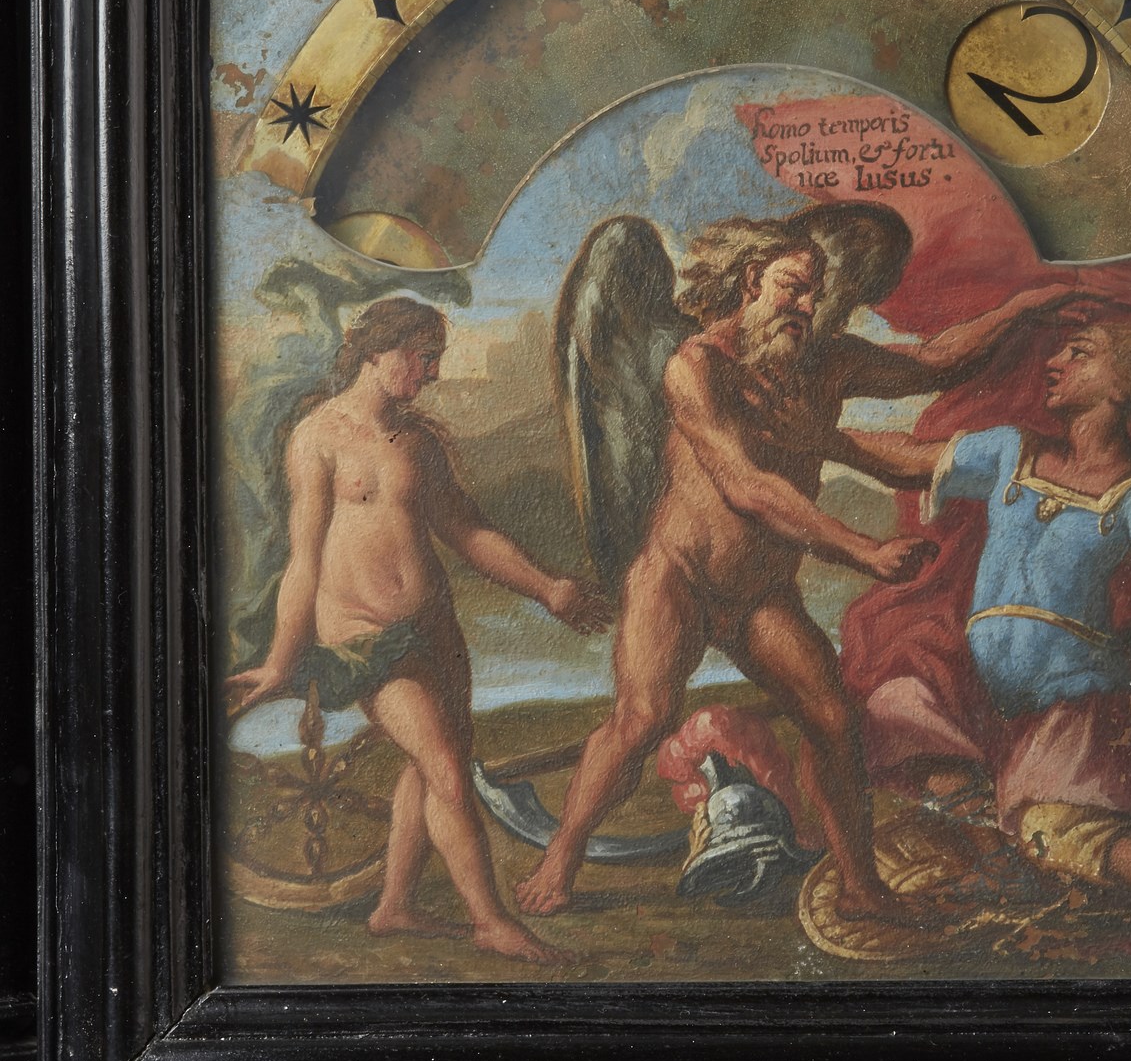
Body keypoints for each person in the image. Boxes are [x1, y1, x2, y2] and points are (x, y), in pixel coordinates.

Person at [516, 213, 1086, 918]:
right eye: (793, 288)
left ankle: (860, 888)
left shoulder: (828, 362)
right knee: (642, 716)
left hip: (761, 595)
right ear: (751, 280)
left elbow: (937, 361)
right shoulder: (696, 366)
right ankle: (560, 861)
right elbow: (748, 488)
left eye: (814, 293)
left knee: (834, 720)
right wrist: (862, 549)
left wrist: (1022, 307)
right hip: (677, 578)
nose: (807, 306)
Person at [838, 319, 1131, 964]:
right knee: (894, 708)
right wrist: (814, 437)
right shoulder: (1011, 451)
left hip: (1076, 700)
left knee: (1060, 830)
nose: (1055, 361)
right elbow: (905, 456)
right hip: (985, 696)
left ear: (1128, 381)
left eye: (1081, 352)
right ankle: (1004, 865)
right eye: (1059, 350)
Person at [225, 297, 611, 965]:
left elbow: (467, 532)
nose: (432, 372)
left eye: (436, 358)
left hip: (435, 630)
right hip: (364, 639)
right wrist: (283, 660)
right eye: (423, 356)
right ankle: (489, 920)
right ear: (377, 350)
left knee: (433, 763)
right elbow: (304, 560)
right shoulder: (316, 438)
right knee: (447, 773)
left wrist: (547, 588)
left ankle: (395, 906)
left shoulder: (420, 443)